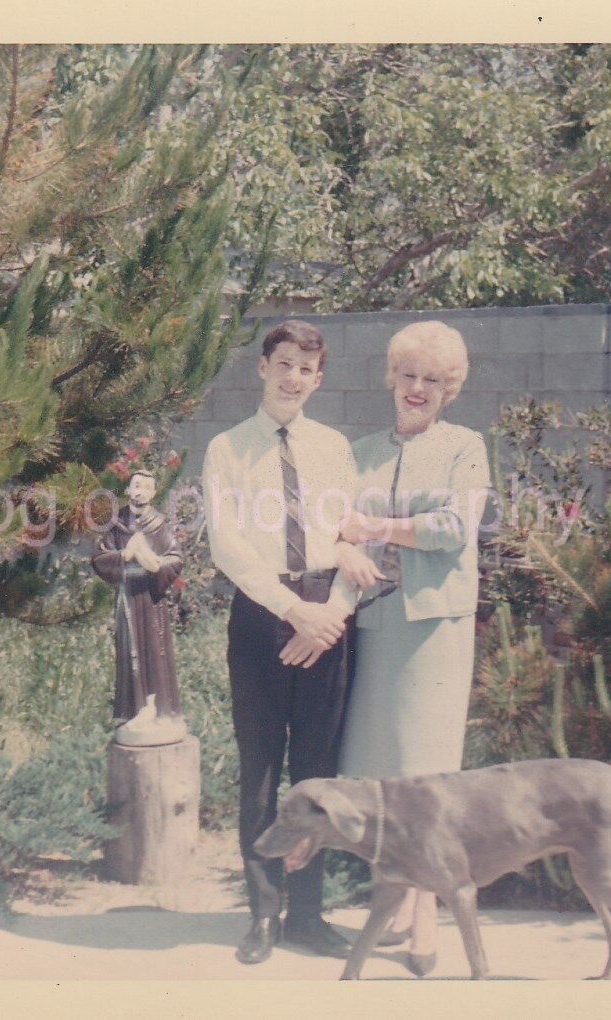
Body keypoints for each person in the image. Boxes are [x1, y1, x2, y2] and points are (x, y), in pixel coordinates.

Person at [201, 320, 384, 965]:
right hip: (261, 618)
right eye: (283, 363)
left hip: (327, 618)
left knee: (317, 774)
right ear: (263, 367)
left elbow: (352, 536)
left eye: (306, 369)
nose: (293, 377)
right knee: (260, 772)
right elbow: (230, 548)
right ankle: (264, 915)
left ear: (318, 377)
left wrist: (330, 615)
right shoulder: (227, 449)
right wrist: (293, 612)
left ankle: (308, 914)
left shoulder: (335, 449)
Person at [317, 320, 490, 977]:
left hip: (433, 632)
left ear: (450, 390)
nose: (417, 389)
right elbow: (328, 526)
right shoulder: (357, 452)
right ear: (392, 379)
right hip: (373, 627)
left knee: (425, 780)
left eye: (433, 380)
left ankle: (425, 923)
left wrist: (377, 527)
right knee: (384, 778)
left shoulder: (464, 448)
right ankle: (394, 909)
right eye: (408, 375)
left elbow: (452, 529)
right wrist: (342, 542)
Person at [90, 469, 187, 747]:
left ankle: (159, 708)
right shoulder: (116, 524)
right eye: (136, 486)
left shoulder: (160, 525)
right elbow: (99, 557)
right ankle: (133, 709)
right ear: (128, 490)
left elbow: (175, 558)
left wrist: (153, 563)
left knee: (154, 650)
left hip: (152, 598)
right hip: (128, 595)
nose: (140, 491)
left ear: (154, 493)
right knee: (129, 648)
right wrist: (125, 555)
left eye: (146, 487)